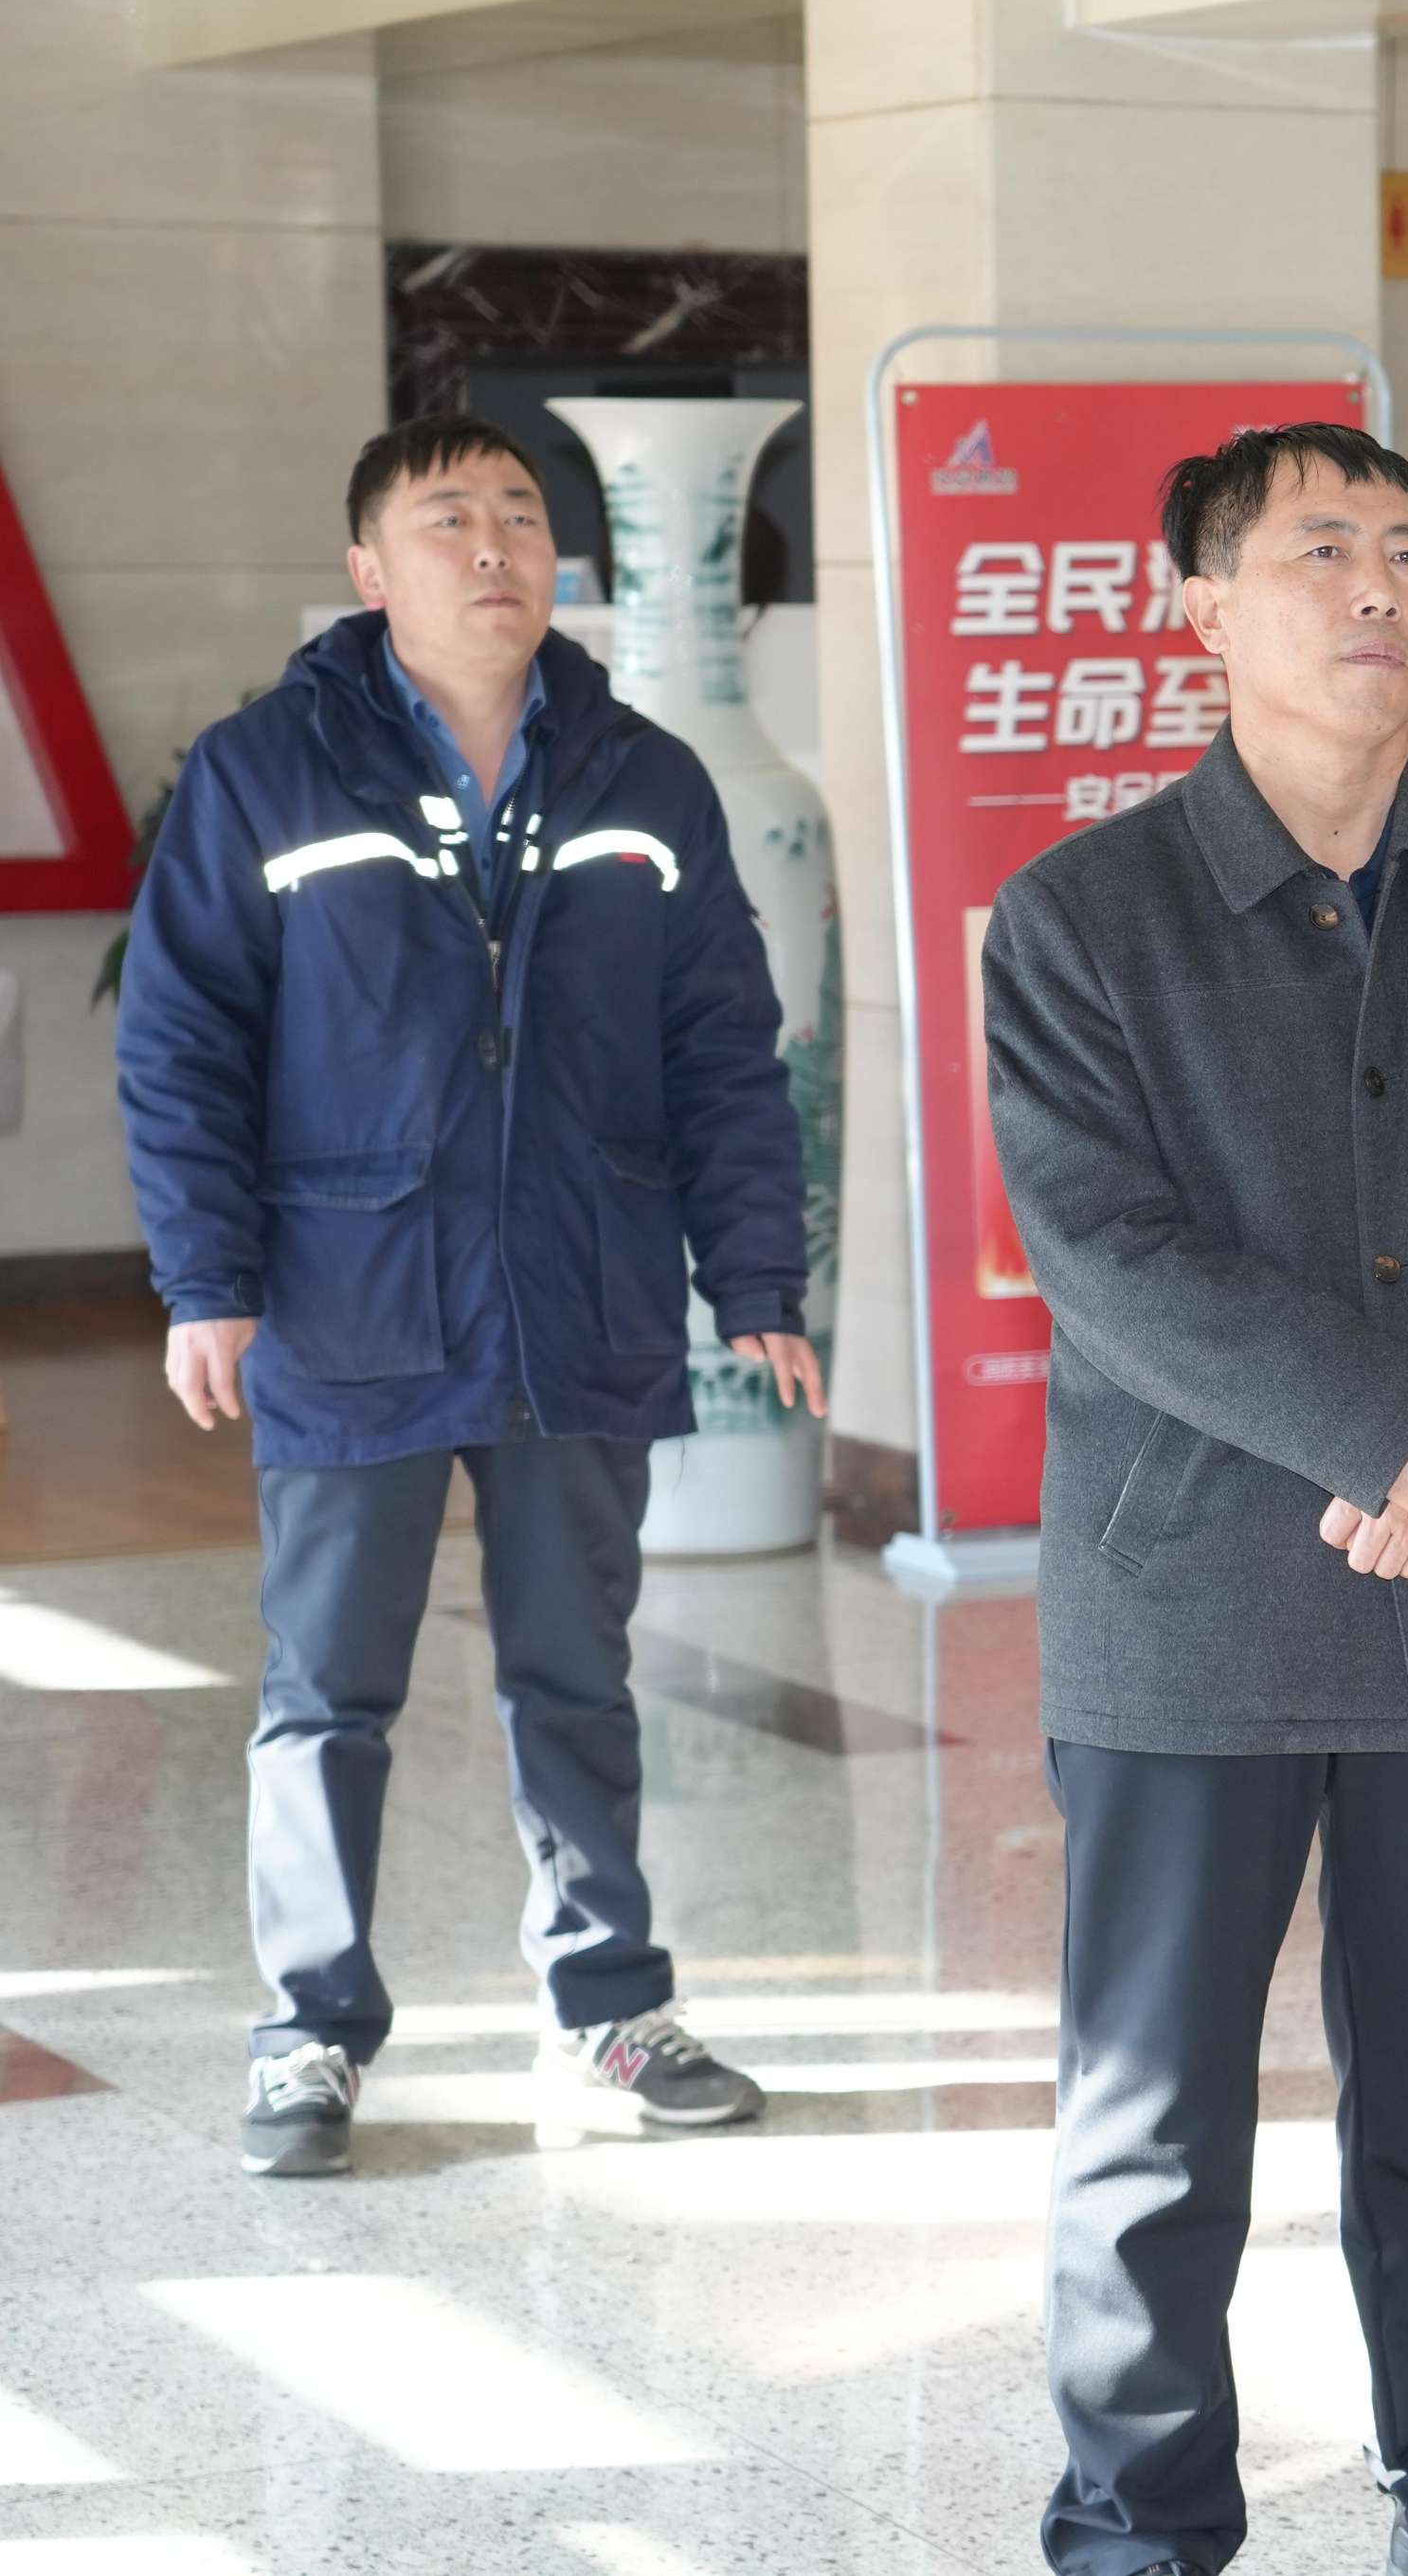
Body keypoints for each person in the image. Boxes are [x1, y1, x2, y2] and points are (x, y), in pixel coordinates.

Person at [980, 421, 1408, 2576]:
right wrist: (1389, 1430)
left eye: (1407, 549)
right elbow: (1106, 1250)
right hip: (1194, 1598)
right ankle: (1137, 2526)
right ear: (1202, 609)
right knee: (1154, 2124)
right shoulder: (1081, 914)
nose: (1377, 586)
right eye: (1318, 552)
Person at [115, 410, 814, 2179]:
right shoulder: (264, 772)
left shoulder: (646, 778)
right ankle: (309, 2033)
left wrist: (755, 1274)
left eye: (520, 514)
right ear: (369, 568)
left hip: (580, 1292)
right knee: (326, 1688)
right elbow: (182, 1042)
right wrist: (207, 1279)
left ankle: (608, 2007)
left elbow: (725, 1047)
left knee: (577, 1675)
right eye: (449, 518)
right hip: (350, 1294)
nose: (495, 543)